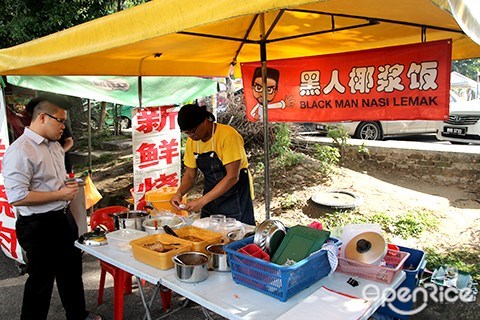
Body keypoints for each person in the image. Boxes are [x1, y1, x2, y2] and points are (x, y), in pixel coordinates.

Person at [1, 95, 102, 320]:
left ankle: (77, 314)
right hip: (38, 226)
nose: (64, 127)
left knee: (72, 271)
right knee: (41, 281)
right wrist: (59, 193)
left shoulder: (55, 146)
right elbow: (17, 197)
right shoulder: (20, 150)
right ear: (43, 117)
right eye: (60, 121)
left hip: (63, 218)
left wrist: (67, 186)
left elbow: (54, 181)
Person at [170, 103, 255, 225]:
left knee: (237, 237)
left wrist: (202, 201)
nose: (191, 136)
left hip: (235, 196)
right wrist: (179, 193)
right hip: (211, 197)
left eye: (193, 131)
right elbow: (190, 175)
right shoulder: (192, 141)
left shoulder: (228, 136)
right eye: (187, 133)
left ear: (205, 121)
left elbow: (232, 177)